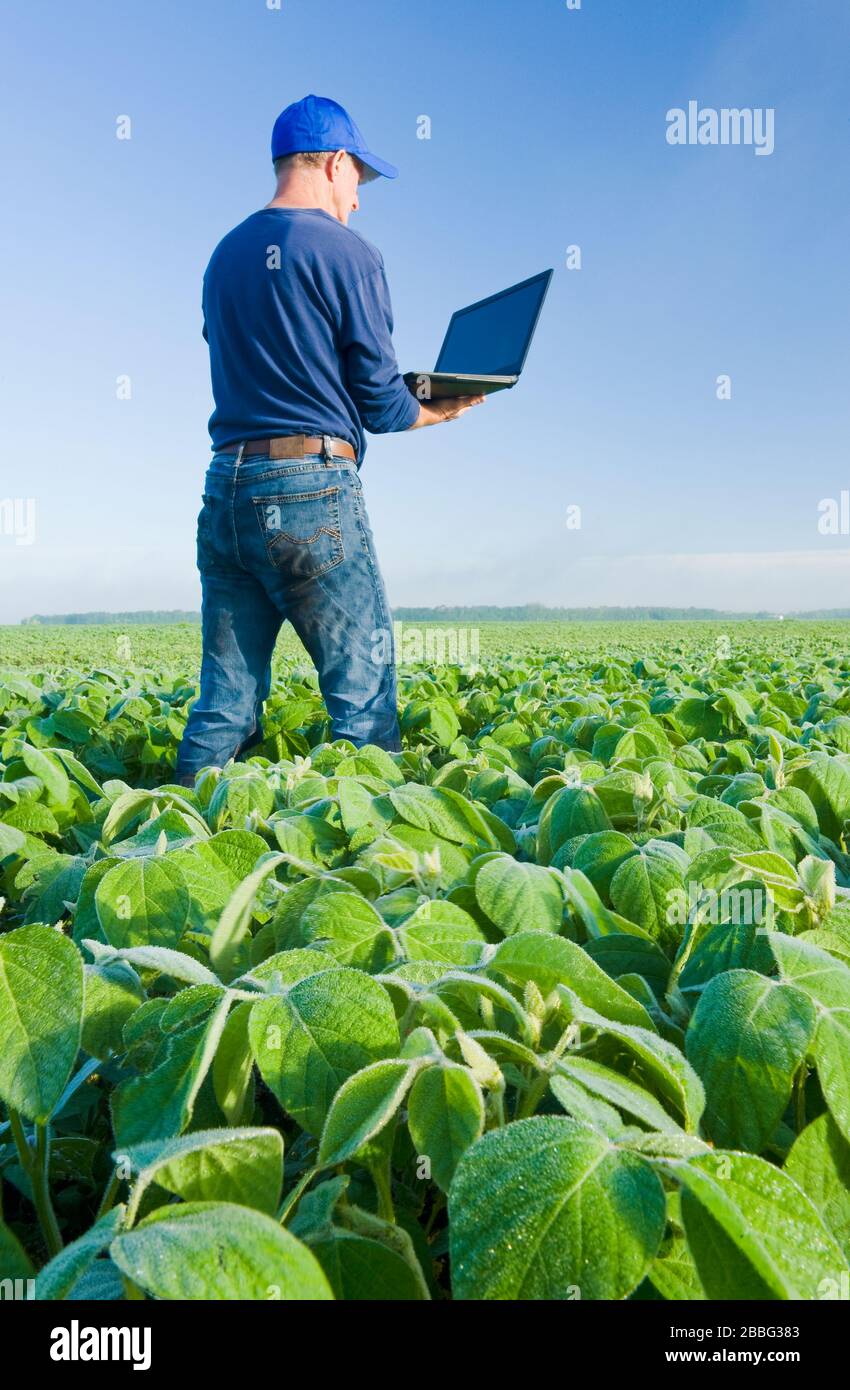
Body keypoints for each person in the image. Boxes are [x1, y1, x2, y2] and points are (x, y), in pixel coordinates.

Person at [175, 94, 484, 786]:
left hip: (228, 486)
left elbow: (271, 363)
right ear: (336, 163)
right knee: (363, 704)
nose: (359, 200)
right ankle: (375, 873)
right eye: (359, 182)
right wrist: (438, 406)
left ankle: (170, 850)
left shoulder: (224, 255)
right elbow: (378, 401)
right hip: (311, 489)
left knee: (224, 705)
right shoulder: (349, 252)